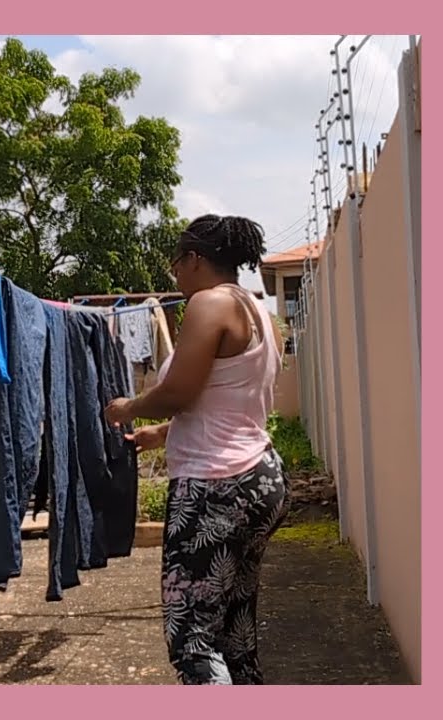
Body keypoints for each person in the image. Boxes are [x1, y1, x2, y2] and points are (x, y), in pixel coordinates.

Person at [104, 214, 289, 685]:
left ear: (194, 258)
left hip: (215, 487)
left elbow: (180, 392)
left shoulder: (208, 305)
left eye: (176, 263)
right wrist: (161, 434)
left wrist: (128, 408)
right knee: (235, 631)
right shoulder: (260, 315)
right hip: (260, 477)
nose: (175, 274)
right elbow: (228, 403)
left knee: (192, 638)